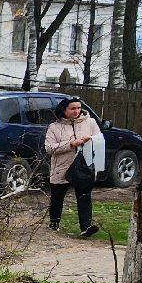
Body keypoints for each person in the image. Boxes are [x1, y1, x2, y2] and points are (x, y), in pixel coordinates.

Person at [44, 97, 104, 237]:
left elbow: (99, 140)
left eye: (78, 108)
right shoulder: (54, 127)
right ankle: (54, 222)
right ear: (63, 110)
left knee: (84, 196)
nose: (76, 111)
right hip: (62, 166)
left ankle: (86, 226)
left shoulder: (90, 122)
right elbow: (49, 148)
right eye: (72, 108)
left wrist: (91, 142)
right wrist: (71, 144)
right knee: (57, 197)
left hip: (83, 166)